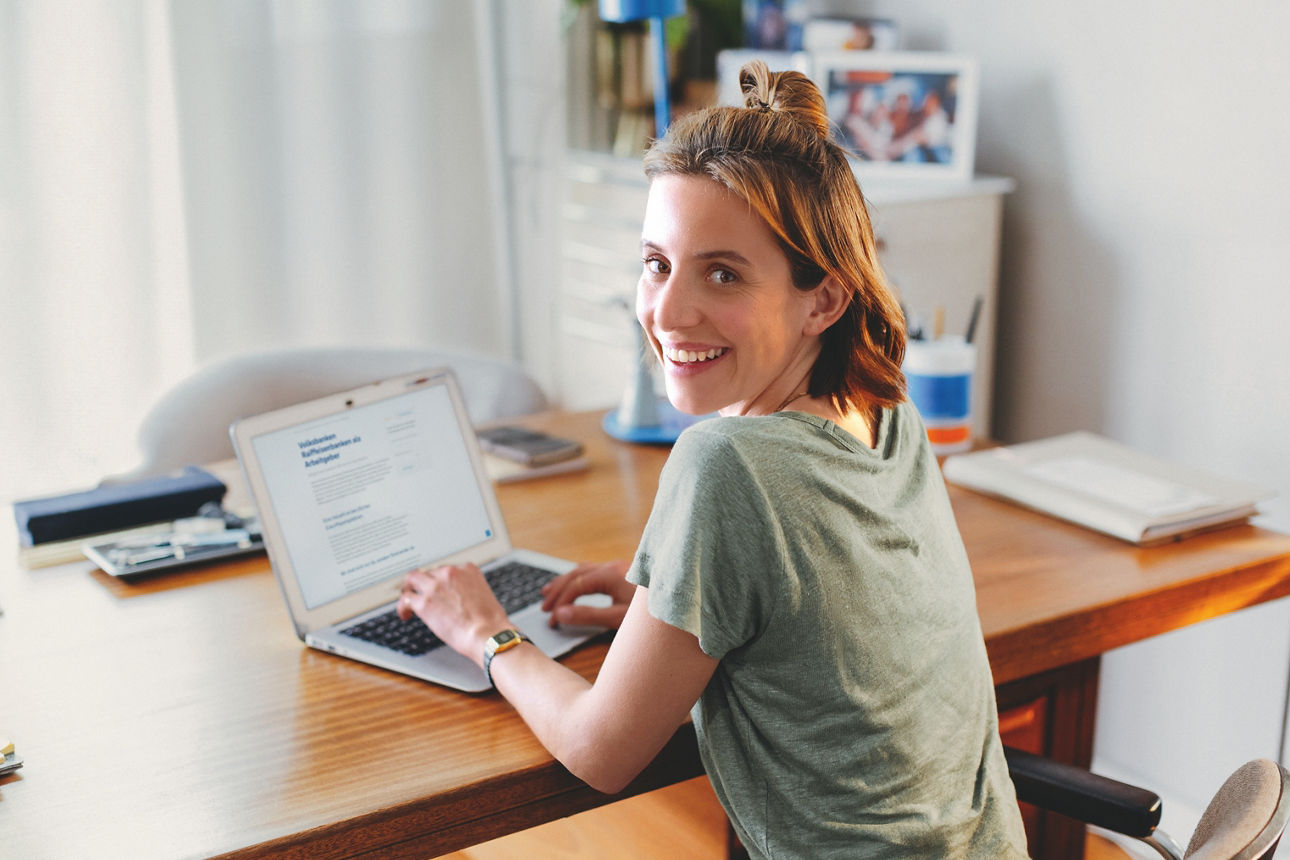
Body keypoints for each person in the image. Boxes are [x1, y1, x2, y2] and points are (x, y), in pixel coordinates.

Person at [398, 61, 1029, 858]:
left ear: (823, 299)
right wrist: (667, 602)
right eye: (656, 263)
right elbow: (835, 610)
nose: (667, 311)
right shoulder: (888, 406)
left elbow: (602, 752)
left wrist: (486, 632)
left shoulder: (725, 463)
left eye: (722, 273)